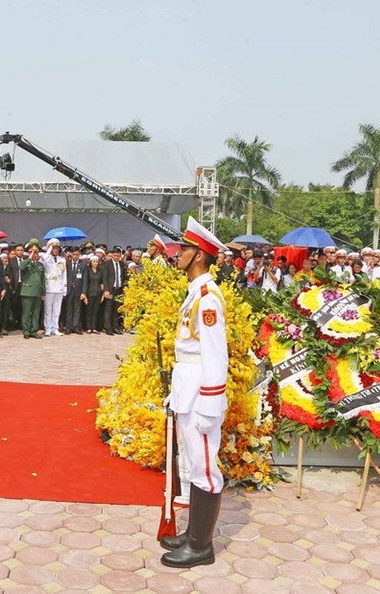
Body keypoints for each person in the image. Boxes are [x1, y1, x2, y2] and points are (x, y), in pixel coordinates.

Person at [160, 217, 230, 569]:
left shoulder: (207, 298)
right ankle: (193, 534)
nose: (178, 254)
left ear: (200, 256)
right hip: (187, 387)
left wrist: (210, 404)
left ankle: (201, 546)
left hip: (202, 393)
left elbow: (216, 356)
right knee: (193, 463)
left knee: (204, 468)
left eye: (184, 249)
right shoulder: (195, 292)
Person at [41, 239, 67, 336]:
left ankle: (55, 328)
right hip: (49, 287)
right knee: (48, 309)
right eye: (53, 248)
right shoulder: (46, 258)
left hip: (59, 287)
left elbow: (64, 274)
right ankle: (48, 328)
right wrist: (48, 251)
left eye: (57, 248)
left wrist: (65, 288)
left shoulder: (62, 259)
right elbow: (41, 261)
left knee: (57, 309)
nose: (55, 250)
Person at [19, 246, 45, 339]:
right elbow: (21, 267)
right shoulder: (25, 263)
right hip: (27, 291)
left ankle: (34, 331)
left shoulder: (40, 265)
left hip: (37, 292)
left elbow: (43, 280)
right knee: (26, 313)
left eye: (36, 253)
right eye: (32, 252)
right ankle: (26, 331)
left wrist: (43, 293)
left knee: (36, 313)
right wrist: (29, 258)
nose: (34, 254)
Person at [100, 247, 126, 334]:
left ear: (120, 256)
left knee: (116, 309)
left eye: (118, 256)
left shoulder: (122, 264)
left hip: (118, 290)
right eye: (114, 256)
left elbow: (123, 276)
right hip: (110, 290)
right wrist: (106, 290)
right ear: (112, 255)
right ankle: (108, 327)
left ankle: (115, 327)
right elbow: (105, 278)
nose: (116, 257)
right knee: (108, 308)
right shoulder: (107, 264)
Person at [64, 247, 85, 334]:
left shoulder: (83, 264)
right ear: (71, 255)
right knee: (69, 309)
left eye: (77, 255)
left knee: (77, 309)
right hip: (69, 290)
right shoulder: (67, 263)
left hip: (78, 290)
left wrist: (84, 292)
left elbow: (85, 279)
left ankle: (76, 327)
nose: (75, 256)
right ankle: (68, 327)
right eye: (74, 254)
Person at [81, 255, 103, 333]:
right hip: (89, 293)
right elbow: (86, 283)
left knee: (95, 310)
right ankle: (88, 327)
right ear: (91, 262)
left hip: (98, 292)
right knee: (89, 311)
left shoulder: (100, 271)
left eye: (97, 262)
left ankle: (94, 327)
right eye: (94, 262)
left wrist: (102, 294)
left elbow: (101, 283)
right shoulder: (88, 270)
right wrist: (85, 295)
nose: (95, 263)